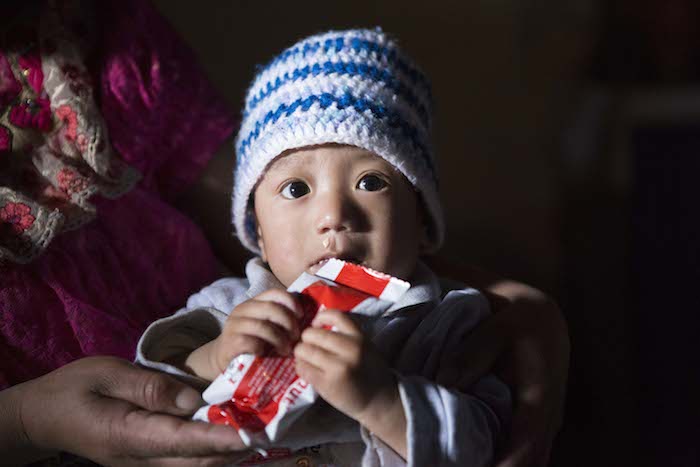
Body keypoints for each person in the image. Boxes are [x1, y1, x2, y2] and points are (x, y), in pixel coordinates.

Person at [0, 2, 568, 466]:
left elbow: (484, 446)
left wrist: (381, 398)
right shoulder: (230, 306)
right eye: (296, 190)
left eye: (370, 181)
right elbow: (157, 391)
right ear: (258, 236)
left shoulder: (449, 322)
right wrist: (215, 356)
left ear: (423, 223)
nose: (333, 216)